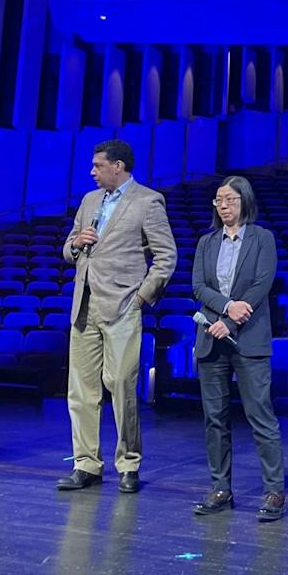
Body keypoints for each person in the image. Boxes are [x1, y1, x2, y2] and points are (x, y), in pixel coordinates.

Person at [56, 139, 176, 493]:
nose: (92, 172)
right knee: (80, 391)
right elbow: (68, 248)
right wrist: (76, 244)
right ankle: (86, 464)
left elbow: (166, 256)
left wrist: (141, 297)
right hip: (85, 305)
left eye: (98, 166)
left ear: (118, 166)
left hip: (123, 306)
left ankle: (129, 463)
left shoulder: (147, 201)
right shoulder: (89, 201)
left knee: (122, 385)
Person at [191, 175, 286, 521]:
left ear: (244, 201)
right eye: (218, 200)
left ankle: (274, 490)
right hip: (211, 340)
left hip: (248, 340)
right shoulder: (207, 242)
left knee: (260, 415)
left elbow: (262, 284)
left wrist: (230, 320)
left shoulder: (262, 239)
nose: (224, 206)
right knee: (214, 419)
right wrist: (227, 307)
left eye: (230, 199)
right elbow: (198, 286)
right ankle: (220, 487)